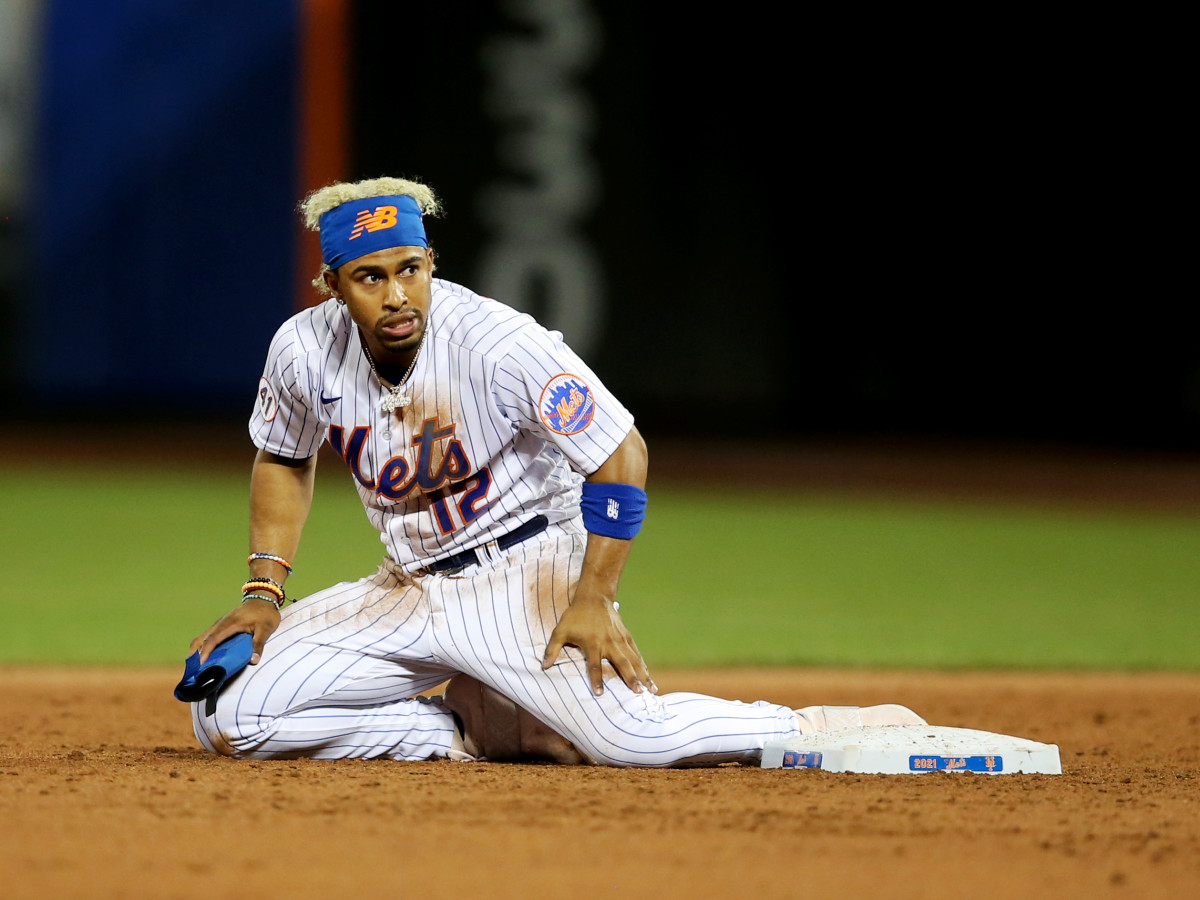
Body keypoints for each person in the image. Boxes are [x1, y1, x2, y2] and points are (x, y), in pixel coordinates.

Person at [187, 176, 924, 766]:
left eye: (410, 269)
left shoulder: (497, 343)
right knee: (227, 713)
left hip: (524, 571)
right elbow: (284, 457)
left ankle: (814, 727)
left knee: (633, 740)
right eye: (371, 277)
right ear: (333, 285)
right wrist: (262, 590)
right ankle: (462, 733)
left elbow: (620, 451)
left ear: (432, 263)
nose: (398, 294)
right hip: (406, 586)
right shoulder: (302, 349)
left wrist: (594, 596)